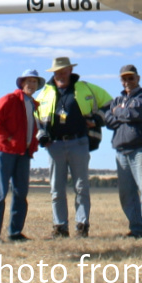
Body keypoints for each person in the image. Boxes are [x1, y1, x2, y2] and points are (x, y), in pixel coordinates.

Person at [35, 57, 111, 238]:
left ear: (70, 70)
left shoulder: (86, 88)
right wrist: (41, 135)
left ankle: (82, 226)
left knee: (81, 187)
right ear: (53, 73)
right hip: (55, 145)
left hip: (79, 143)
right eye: (57, 71)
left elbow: (110, 104)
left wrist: (97, 120)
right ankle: (60, 227)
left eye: (63, 70)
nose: (60, 74)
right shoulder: (44, 93)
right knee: (56, 188)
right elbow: (35, 119)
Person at [103, 65, 142, 239]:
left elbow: (135, 114)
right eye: (124, 79)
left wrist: (119, 112)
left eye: (131, 78)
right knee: (127, 193)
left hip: (141, 149)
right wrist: (122, 114)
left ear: (138, 78)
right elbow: (108, 121)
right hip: (121, 150)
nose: (127, 82)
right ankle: (136, 228)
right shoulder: (117, 99)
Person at [0, 69, 44, 242]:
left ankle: (15, 232)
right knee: (0, 192)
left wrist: (33, 145)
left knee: (20, 193)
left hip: (24, 154)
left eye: (34, 82)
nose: (31, 85)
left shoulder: (34, 104)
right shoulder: (9, 100)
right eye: (29, 81)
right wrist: (8, 138)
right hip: (5, 152)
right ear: (21, 83)